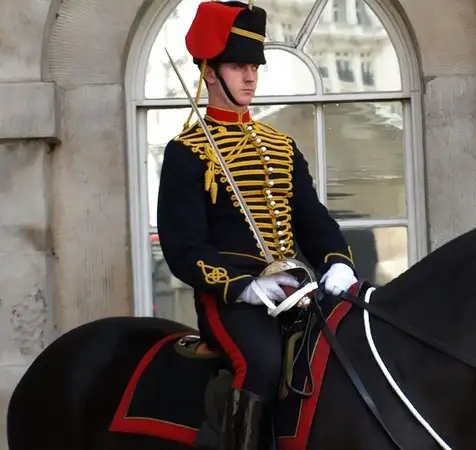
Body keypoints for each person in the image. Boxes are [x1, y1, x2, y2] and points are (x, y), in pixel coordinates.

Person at [156, 1, 358, 448]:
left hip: (297, 292)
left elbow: (314, 221)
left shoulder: (280, 145)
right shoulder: (187, 151)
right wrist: (243, 286)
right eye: (237, 66)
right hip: (232, 300)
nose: (250, 77)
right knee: (262, 362)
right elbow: (183, 247)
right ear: (210, 73)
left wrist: (337, 263)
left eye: (254, 66)